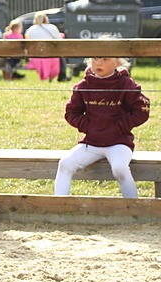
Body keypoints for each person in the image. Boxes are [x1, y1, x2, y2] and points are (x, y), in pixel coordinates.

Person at [54, 54, 150, 198]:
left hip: (119, 143)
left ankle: (133, 208)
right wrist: (89, 127)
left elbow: (142, 111)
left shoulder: (126, 84)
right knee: (65, 163)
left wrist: (119, 127)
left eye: (105, 59)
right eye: (95, 59)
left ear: (117, 62)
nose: (99, 63)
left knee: (119, 168)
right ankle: (58, 206)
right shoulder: (83, 86)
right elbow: (71, 112)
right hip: (91, 143)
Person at [25, 12, 63, 81]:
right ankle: (58, 77)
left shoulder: (31, 29)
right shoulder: (52, 27)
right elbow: (58, 40)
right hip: (51, 55)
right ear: (46, 19)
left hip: (36, 56)